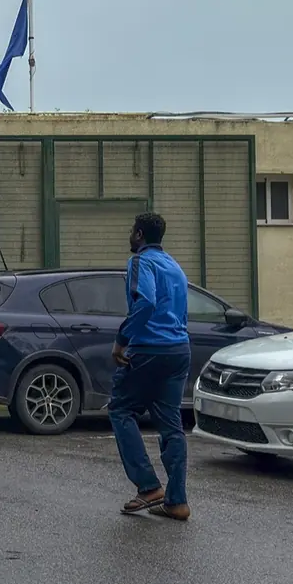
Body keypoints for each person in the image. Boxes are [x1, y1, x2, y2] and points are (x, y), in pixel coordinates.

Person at [109, 212, 192, 521]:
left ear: (140, 234)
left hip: (149, 349)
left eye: (132, 230)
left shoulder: (141, 263)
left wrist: (122, 340)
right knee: (171, 423)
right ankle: (177, 502)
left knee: (120, 410)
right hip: (178, 350)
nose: (130, 235)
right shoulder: (175, 267)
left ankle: (148, 486)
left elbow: (145, 302)